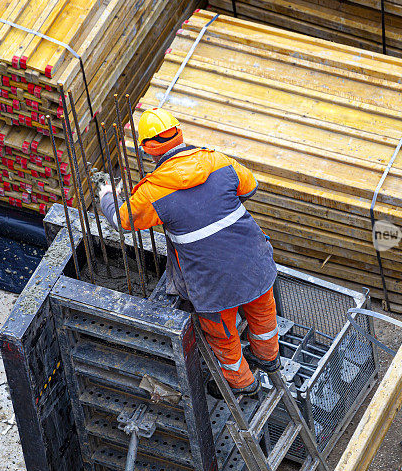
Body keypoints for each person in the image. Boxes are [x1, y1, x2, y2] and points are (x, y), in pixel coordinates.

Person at [98, 107, 280, 398]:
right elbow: (249, 187)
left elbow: (123, 220)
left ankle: (243, 383)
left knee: (224, 336)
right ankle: (268, 358)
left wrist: (107, 195)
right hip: (253, 261)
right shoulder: (217, 160)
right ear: (179, 134)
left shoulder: (153, 192)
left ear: (147, 149)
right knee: (263, 315)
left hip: (212, 282)